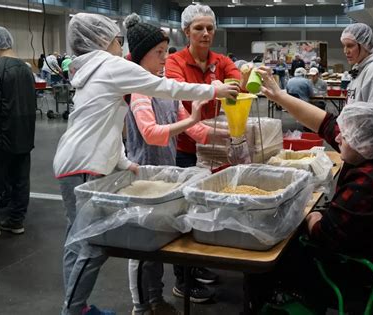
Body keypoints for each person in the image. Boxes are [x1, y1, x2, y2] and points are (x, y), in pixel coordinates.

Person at [54, 12, 238, 315]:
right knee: (89, 243)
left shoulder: (95, 71)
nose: (119, 44)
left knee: (77, 238)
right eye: (116, 39)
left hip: (77, 159)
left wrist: (123, 161)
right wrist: (213, 90)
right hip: (84, 163)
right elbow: (168, 89)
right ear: (104, 41)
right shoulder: (113, 66)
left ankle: (80, 308)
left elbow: (102, 123)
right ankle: (73, 310)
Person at [255, 66, 373, 312]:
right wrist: (279, 96)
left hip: (358, 266)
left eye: (346, 136)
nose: (338, 138)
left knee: (272, 254)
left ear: (364, 144)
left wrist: (311, 216)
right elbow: (325, 123)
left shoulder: (367, 183)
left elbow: (323, 234)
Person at [123, 13, 228, 313]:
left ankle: (156, 299)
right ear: (142, 55)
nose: (164, 59)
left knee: (157, 245)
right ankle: (141, 305)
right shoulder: (141, 92)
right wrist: (193, 120)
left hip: (165, 178)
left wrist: (227, 138)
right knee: (142, 249)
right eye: (158, 53)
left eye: (167, 51)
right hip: (143, 179)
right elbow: (152, 135)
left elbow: (192, 128)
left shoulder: (164, 88)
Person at [164, 3, 248, 302]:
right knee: (183, 211)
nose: (206, 33)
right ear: (187, 31)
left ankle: (196, 264)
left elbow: (235, 74)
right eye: (199, 28)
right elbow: (179, 92)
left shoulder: (219, 60)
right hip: (185, 148)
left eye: (210, 28)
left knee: (205, 208)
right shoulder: (174, 61)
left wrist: (236, 80)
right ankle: (182, 280)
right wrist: (214, 89)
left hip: (213, 147)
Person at [0, 26, 36, 237]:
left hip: (1, 136)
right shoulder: (26, 69)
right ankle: (16, 220)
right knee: (21, 178)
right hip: (25, 134)